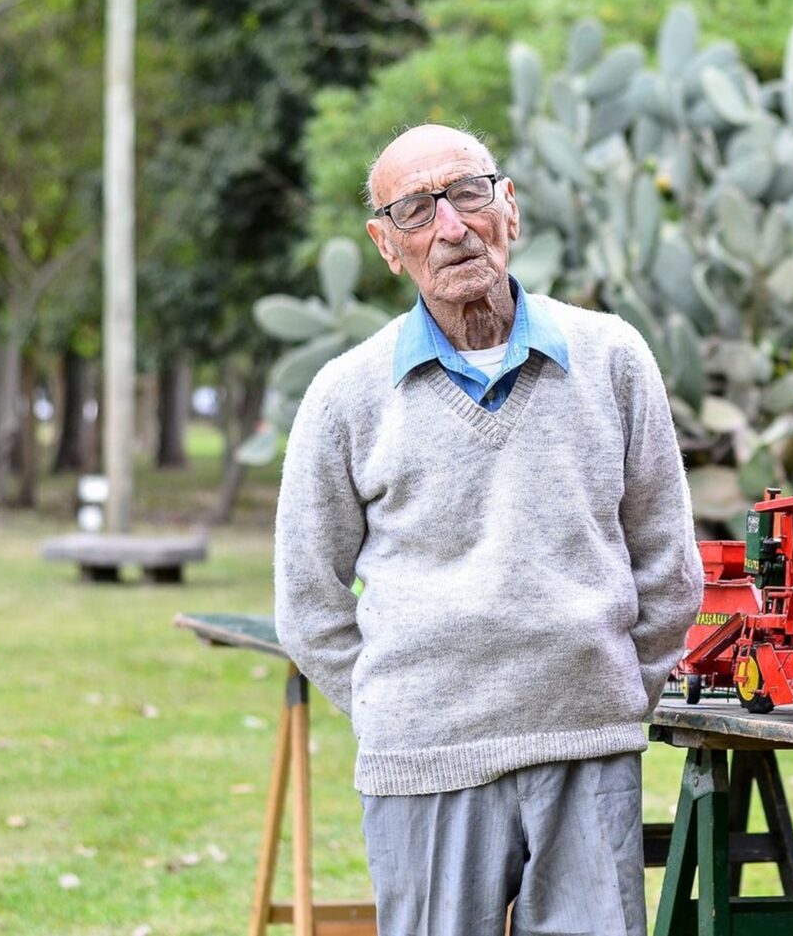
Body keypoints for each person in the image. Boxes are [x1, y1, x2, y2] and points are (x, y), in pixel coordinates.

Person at [273, 123, 703, 936]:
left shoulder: (612, 358)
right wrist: (401, 706)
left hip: (586, 748)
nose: (452, 225)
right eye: (416, 209)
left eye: (469, 192)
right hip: (423, 759)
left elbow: (669, 565)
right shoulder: (344, 395)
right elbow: (307, 601)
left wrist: (608, 692)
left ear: (510, 207)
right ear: (386, 245)